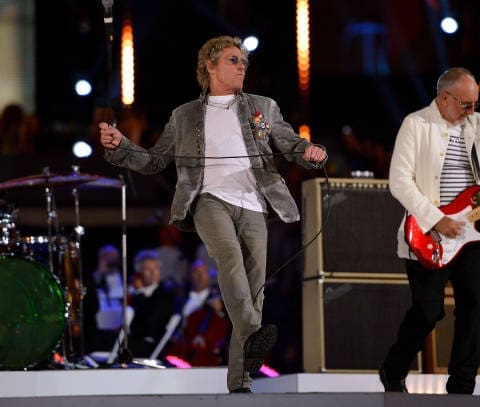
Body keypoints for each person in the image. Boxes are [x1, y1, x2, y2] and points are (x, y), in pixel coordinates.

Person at [99, 35, 327, 392]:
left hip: (255, 203)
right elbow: (155, 160)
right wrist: (121, 147)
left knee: (253, 292)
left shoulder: (263, 107)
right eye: (234, 60)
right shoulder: (185, 115)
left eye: (244, 62)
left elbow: (291, 143)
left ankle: (240, 381)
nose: (242, 66)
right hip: (207, 198)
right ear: (210, 65)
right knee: (229, 258)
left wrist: (310, 151)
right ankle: (254, 333)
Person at [379, 67, 480, 394]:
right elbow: (399, 181)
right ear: (444, 98)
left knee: (473, 310)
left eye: (476, 104)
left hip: (471, 234)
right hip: (429, 234)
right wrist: (436, 219)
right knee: (428, 311)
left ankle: (461, 389)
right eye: (465, 104)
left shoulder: (479, 125)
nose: (472, 111)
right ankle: (394, 367)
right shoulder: (416, 125)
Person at [169, 260, 229, 366]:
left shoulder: (219, 299)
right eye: (196, 272)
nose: (200, 276)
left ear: (209, 276)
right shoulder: (181, 299)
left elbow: (226, 325)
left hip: (205, 353)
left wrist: (220, 311)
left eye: (203, 272)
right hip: (181, 349)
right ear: (190, 276)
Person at [128, 250, 178, 358]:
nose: (153, 272)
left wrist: (140, 292)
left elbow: (151, 321)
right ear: (139, 273)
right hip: (135, 341)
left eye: (156, 268)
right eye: (147, 269)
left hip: (152, 345)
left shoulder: (166, 293)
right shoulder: (134, 294)